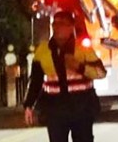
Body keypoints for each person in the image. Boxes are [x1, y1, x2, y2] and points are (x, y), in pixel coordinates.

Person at [24, 10, 106, 142]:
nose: (57, 28)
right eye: (55, 24)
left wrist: (79, 66)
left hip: (82, 108)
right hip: (56, 109)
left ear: (71, 27)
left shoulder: (82, 49)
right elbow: (36, 81)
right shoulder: (43, 50)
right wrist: (28, 105)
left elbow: (101, 73)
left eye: (62, 24)